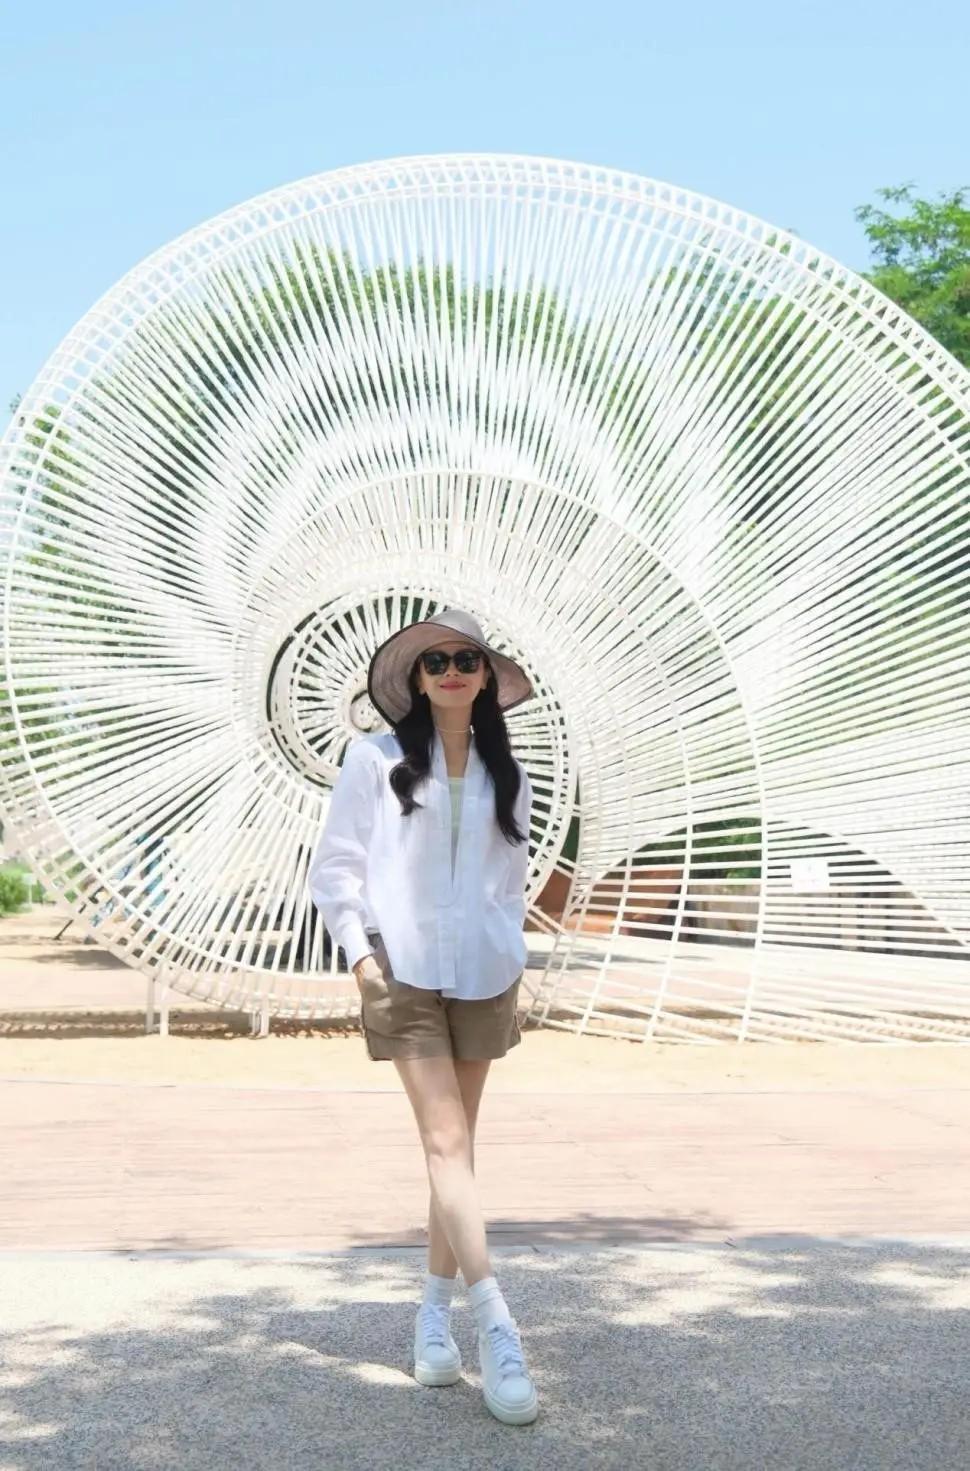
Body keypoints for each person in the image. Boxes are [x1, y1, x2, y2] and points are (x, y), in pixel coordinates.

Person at [308, 606, 539, 1426]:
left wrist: (511, 946)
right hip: (401, 972)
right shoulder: (373, 760)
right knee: (445, 1143)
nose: (450, 671)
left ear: (485, 677)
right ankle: (497, 1326)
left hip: (484, 972)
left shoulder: (509, 773)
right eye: (435, 661)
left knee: (457, 1155)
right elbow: (336, 866)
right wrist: (361, 957)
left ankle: (432, 1317)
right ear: (415, 677)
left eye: (465, 659)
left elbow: (510, 879)